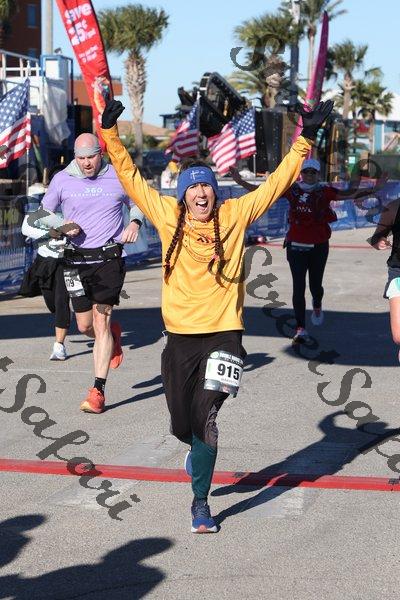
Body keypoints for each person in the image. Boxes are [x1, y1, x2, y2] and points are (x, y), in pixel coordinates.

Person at [100, 98, 334, 533]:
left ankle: (200, 504)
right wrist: (110, 134)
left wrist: (306, 138)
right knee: (182, 424)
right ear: (183, 195)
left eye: (206, 186)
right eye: (193, 188)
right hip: (180, 338)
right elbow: (130, 178)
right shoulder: (167, 216)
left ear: (214, 190)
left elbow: (275, 183)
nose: (201, 194)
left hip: (225, 334)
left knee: (206, 419)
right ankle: (194, 450)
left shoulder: (234, 214)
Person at [35, 133, 144, 413]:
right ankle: (113, 340)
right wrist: (61, 226)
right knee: (84, 326)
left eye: (91, 157)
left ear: (100, 154)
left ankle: (98, 391)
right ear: (75, 156)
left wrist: (134, 223)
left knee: (100, 320)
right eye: (81, 158)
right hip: (74, 261)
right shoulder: (62, 180)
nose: (86, 163)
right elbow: (42, 214)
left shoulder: (117, 175)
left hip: (108, 258)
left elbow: (139, 202)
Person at [233, 159, 387, 344]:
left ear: (318, 174)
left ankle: (317, 304)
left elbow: (350, 194)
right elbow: (263, 193)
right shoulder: (292, 190)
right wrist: (240, 182)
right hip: (295, 246)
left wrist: (375, 189)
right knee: (298, 287)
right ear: (301, 173)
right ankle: (300, 328)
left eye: (313, 172)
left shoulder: (325, 191)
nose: (309, 175)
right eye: (306, 171)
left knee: (315, 286)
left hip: (319, 246)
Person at [20, 165, 71, 360]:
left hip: (68, 260)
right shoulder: (41, 203)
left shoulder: (77, 202)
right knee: (52, 303)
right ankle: (65, 318)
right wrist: (48, 232)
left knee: (61, 300)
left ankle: (59, 345)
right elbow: (26, 227)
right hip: (45, 260)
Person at [371, 198, 400, 358]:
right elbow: (376, 237)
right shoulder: (394, 207)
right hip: (398, 272)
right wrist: (379, 242)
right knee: (399, 336)